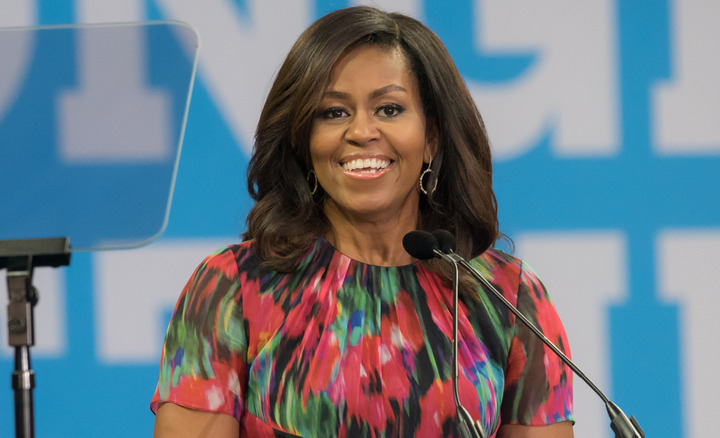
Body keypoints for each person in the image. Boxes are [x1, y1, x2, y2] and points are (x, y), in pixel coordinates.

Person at [151, 6, 574, 438]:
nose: (361, 131)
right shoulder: (235, 288)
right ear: (303, 140)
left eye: (389, 109)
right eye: (333, 112)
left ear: (431, 138)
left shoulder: (507, 297)